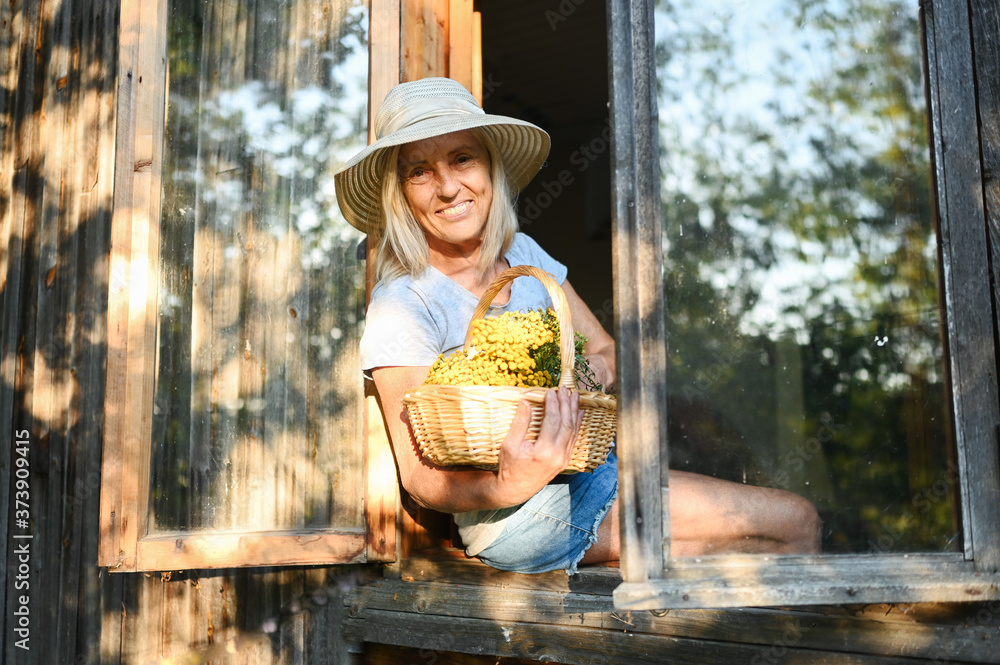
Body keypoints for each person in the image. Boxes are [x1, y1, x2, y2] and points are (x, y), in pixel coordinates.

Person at [334, 77, 820, 574]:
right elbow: (419, 475)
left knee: (748, 562)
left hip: (590, 473)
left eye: (462, 158)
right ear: (401, 194)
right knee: (794, 522)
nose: (448, 186)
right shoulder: (404, 302)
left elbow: (606, 353)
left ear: (489, 166)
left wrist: (561, 383)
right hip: (521, 514)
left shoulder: (520, 253)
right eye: (420, 171)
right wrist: (509, 481)